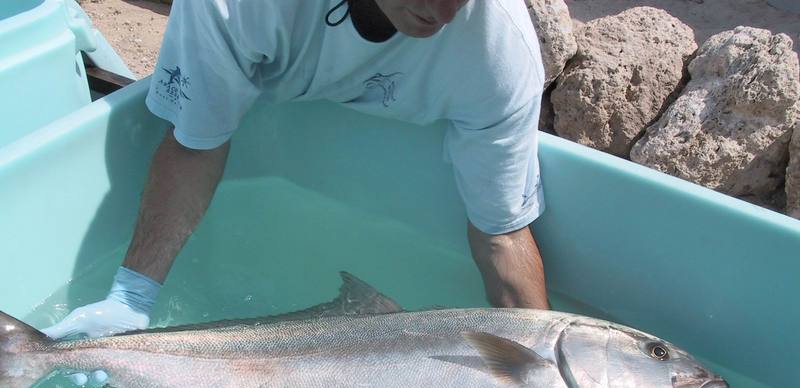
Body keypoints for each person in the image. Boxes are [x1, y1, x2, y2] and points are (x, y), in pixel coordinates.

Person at [44, 0, 549, 340]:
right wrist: (132, 295)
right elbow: (196, 143)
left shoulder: (501, 54)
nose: (442, 11)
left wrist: (536, 365)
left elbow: (502, 233)